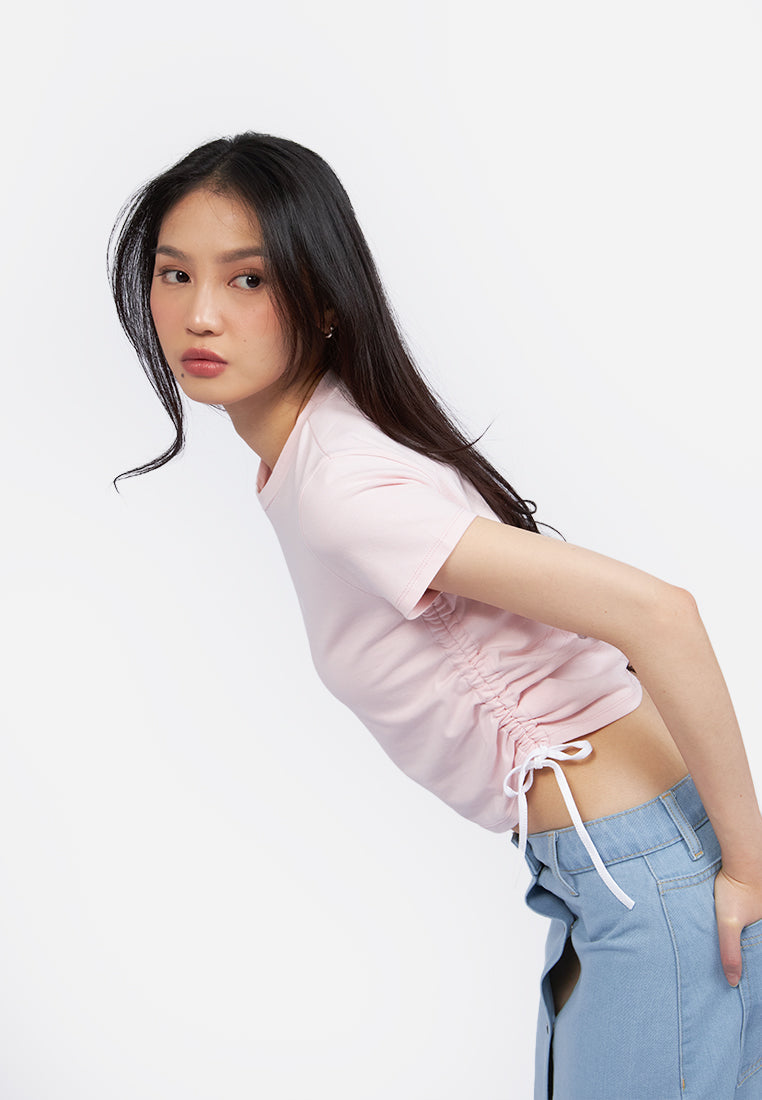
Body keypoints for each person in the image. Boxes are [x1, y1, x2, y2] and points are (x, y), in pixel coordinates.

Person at [109, 132, 762, 1098]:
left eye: (248, 280)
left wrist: (746, 870)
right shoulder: (323, 442)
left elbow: (661, 616)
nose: (200, 314)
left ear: (323, 300)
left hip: (644, 871)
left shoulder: (343, 484)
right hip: (617, 865)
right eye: (176, 274)